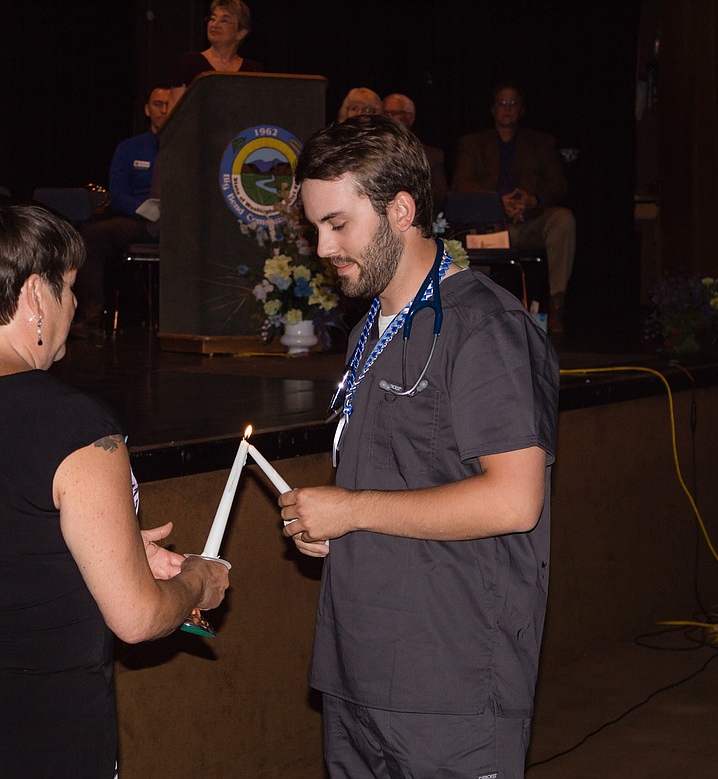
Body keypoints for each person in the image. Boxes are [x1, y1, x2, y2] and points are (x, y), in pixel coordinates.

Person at [0, 202, 230, 777]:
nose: (75, 306)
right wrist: (199, 580)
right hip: (34, 730)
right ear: (35, 294)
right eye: (71, 288)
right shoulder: (69, 423)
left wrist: (115, 549)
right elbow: (136, 619)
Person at [281, 115, 559, 777]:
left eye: (338, 224)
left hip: (452, 690)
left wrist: (353, 509)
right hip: (360, 674)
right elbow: (392, 479)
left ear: (401, 209)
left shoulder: (483, 329)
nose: (322, 248)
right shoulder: (368, 332)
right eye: (314, 227)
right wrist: (326, 522)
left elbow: (515, 501)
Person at [453, 83, 575, 333]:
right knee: (469, 231)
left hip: (530, 221)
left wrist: (533, 200)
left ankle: (557, 307)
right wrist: (499, 202)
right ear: (493, 109)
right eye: (502, 103)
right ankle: (474, 313)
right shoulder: (473, 143)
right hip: (490, 224)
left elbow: (559, 185)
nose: (507, 109)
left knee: (564, 219)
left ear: (521, 110)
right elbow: (460, 184)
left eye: (513, 104)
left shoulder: (539, 142)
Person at [75, 86, 170, 333]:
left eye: (169, 104)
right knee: (91, 234)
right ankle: (92, 317)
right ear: (148, 110)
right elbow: (116, 196)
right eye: (158, 104)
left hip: (180, 223)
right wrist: (142, 209)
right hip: (140, 221)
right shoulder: (129, 148)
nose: (164, 110)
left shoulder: (191, 147)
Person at [171, 0, 263, 102]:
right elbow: (176, 112)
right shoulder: (190, 62)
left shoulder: (253, 70)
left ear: (240, 33)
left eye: (224, 20)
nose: (214, 24)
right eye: (212, 19)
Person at [382, 92, 448, 214]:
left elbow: (439, 195)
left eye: (395, 113)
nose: (388, 118)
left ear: (409, 117)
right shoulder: (373, 152)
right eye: (385, 113)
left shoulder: (431, 156)